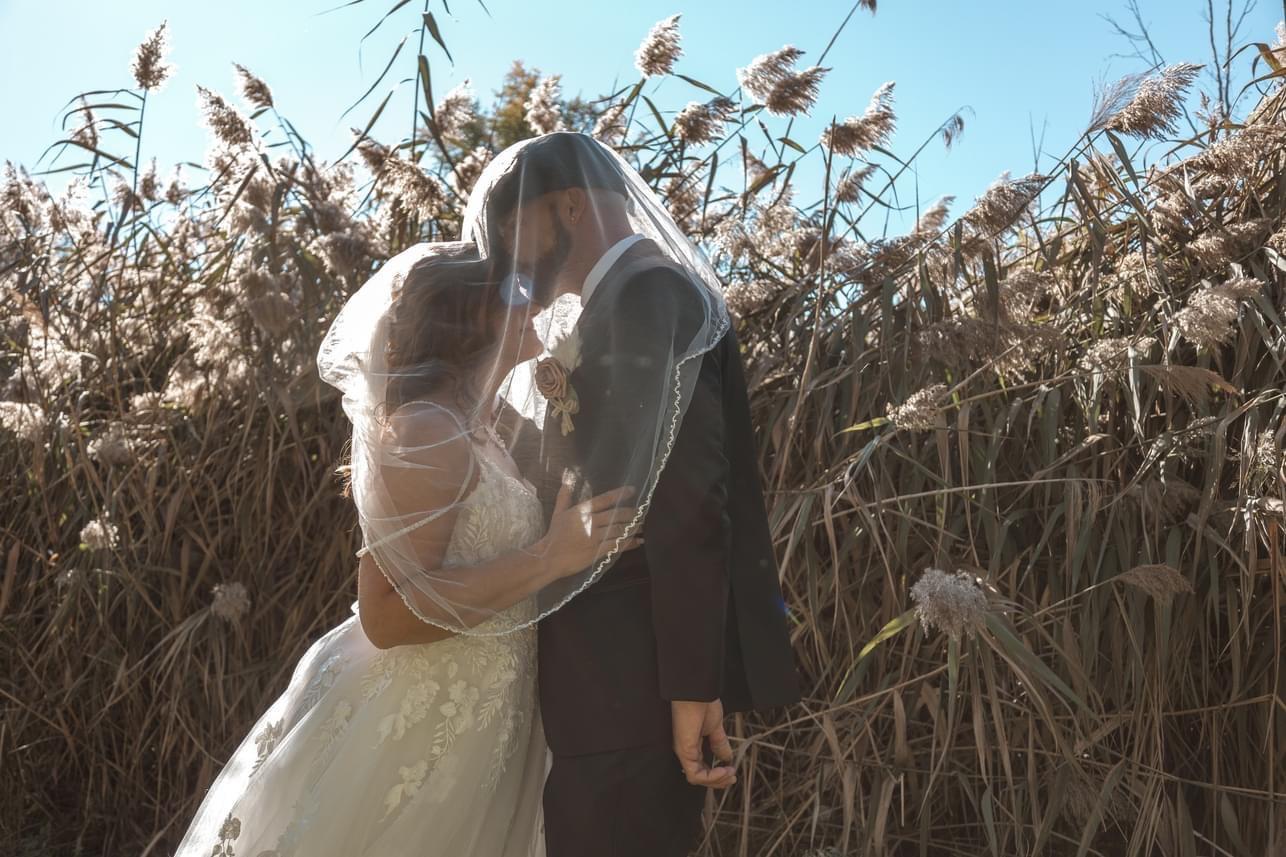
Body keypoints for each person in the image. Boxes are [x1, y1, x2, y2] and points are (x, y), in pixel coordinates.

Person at [171, 240, 638, 857]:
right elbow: (388, 616)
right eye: (515, 292)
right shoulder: (427, 430)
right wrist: (549, 557)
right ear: (471, 315)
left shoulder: (484, 430)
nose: (535, 305)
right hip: (410, 717)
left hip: (482, 717)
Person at [464, 131, 801, 857]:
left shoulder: (650, 294)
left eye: (516, 228)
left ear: (570, 207)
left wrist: (690, 687)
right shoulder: (620, 301)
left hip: (628, 681)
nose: (510, 256)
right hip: (608, 683)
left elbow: (690, 500)